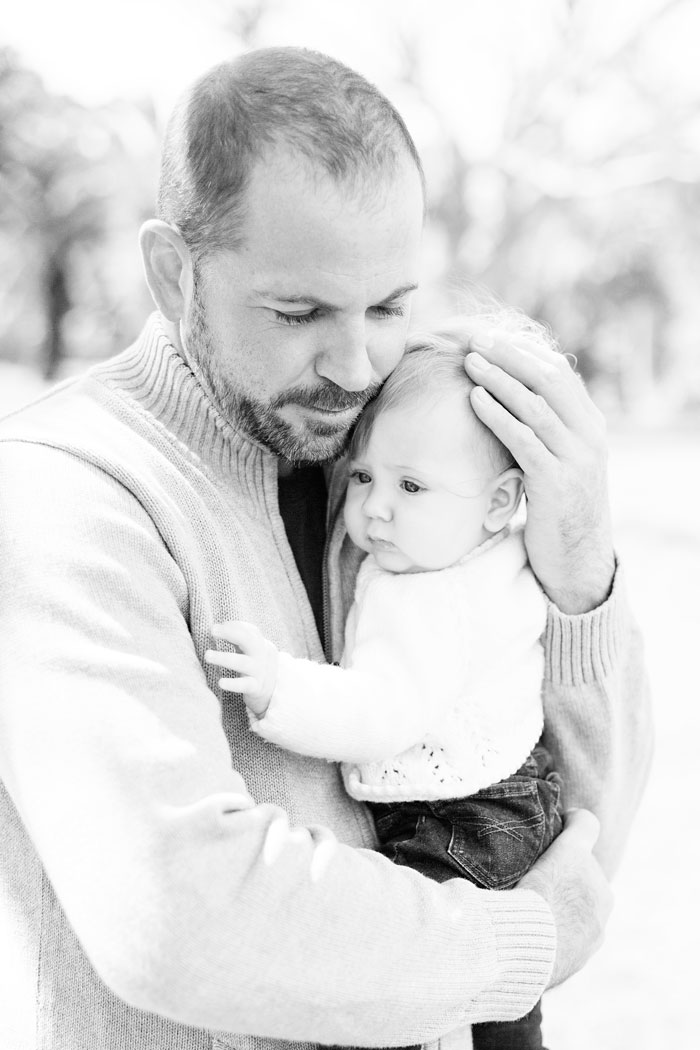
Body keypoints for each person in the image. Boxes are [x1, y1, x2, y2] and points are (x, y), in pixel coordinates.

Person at [0, 46, 651, 1050]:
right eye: (298, 313)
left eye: (388, 307)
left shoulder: (389, 460)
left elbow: (577, 835)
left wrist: (579, 572)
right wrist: (519, 943)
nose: (354, 367)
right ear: (176, 272)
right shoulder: (63, 495)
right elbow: (176, 919)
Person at [206, 312, 565, 1050]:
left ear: (500, 501)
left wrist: (283, 688)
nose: (374, 508)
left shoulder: (435, 597)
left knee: (410, 985)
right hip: (511, 793)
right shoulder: (475, 547)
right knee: (503, 1005)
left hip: (464, 818)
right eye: (364, 475)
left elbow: (385, 710)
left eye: (412, 485)